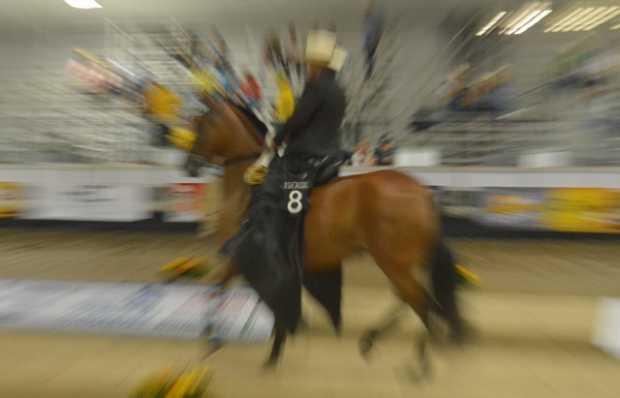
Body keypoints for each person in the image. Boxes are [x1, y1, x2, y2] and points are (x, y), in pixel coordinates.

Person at [223, 30, 347, 332]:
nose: (307, 67)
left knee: (266, 188)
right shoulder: (338, 89)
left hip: (305, 156)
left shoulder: (316, 87)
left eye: (310, 63)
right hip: (331, 152)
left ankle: (268, 239)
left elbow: (299, 119)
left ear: (318, 64)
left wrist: (276, 136)